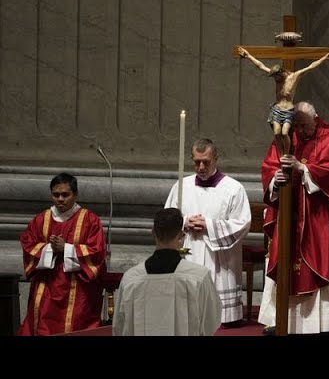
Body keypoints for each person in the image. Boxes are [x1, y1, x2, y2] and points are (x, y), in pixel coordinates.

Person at [258, 101, 329, 334]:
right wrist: (276, 179)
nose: (300, 132)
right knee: (285, 259)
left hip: (324, 214)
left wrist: (303, 169)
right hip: (291, 213)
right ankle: (283, 320)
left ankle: (321, 324)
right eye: (296, 126)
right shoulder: (286, 137)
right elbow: (269, 166)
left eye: (304, 126)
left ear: (316, 118)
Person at [165, 138, 251, 327]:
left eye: (206, 162)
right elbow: (168, 217)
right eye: (197, 162)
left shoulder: (233, 188)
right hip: (190, 250)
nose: (201, 167)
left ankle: (222, 316)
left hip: (219, 257)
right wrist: (185, 222)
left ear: (216, 159)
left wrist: (209, 225)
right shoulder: (181, 186)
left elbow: (242, 223)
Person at [17, 173, 106, 335]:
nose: (60, 199)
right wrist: (51, 248)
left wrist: (66, 248)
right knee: (43, 326)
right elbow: (28, 244)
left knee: (76, 327)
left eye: (65, 195)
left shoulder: (89, 220)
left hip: (78, 290)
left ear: (75, 194)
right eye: (56, 195)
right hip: (47, 288)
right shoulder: (41, 219)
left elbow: (97, 252)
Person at [112, 208, 222, 336]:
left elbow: (119, 325)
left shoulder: (131, 279)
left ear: (153, 233)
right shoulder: (198, 277)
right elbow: (211, 321)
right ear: (181, 235)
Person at [238, 46, 329, 156]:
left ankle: (286, 154)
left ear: (281, 73)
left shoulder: (294, 77)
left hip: (288, 111)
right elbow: (260, 65)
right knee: (277, 133)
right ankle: (281, 155)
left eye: (276, 77)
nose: (275, 79)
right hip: (277, 109)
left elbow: (311, 67)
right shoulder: (276, 78)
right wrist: (248, 55)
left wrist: (326, 57)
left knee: (284, 133)